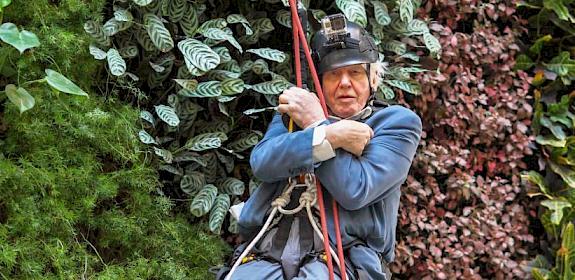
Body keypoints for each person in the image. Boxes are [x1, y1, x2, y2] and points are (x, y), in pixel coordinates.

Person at [229, 14, 422, 280]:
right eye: (333, 75)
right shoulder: (293, 115)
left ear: (373, 79)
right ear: (319, 83)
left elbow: (356, 189)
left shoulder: (397, 123)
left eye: (355, 72)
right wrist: (330, 136)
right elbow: (263, 163)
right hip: (268, 249)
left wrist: (316, 124)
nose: (345, 83)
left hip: (344, 257)